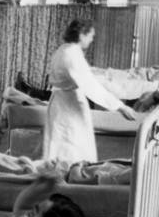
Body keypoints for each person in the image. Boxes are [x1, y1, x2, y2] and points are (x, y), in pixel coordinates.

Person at [45, 19, 138, 163]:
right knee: (71, 149)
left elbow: (87, 80)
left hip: (62, 103)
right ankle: (71, 179)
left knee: (65, 148)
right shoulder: (72, 54)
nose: (92, 40)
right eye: (91, 36)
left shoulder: (63, 49)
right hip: (68, 107)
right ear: (82, 34)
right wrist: (120, 106)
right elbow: (91, 86)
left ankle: (66, 176)